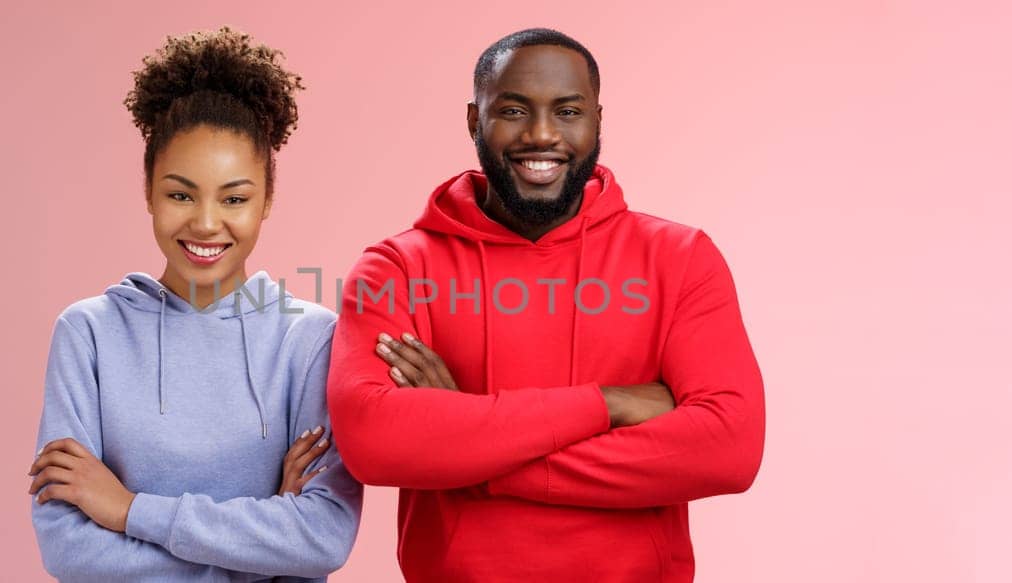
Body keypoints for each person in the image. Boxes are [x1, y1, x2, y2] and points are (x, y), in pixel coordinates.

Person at [326, 28, 764, 582]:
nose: (540, 134)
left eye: (567, 111)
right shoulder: (397, 268)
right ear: (473, 120)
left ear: (597, 122)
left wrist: (471, 448)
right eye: (513, 110)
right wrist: (610, 404)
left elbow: (729, 447)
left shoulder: (680, 258)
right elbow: (374, 440)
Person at [27, 27, 361, 582]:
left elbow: (323, 536)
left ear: (267, 199)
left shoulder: (312, 339)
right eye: (180, 194)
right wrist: (260, 553)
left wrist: (129, 509)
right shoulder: (87, 334)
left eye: (234, 198)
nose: (206, 223)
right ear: (148, 189)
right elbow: (68, 550)